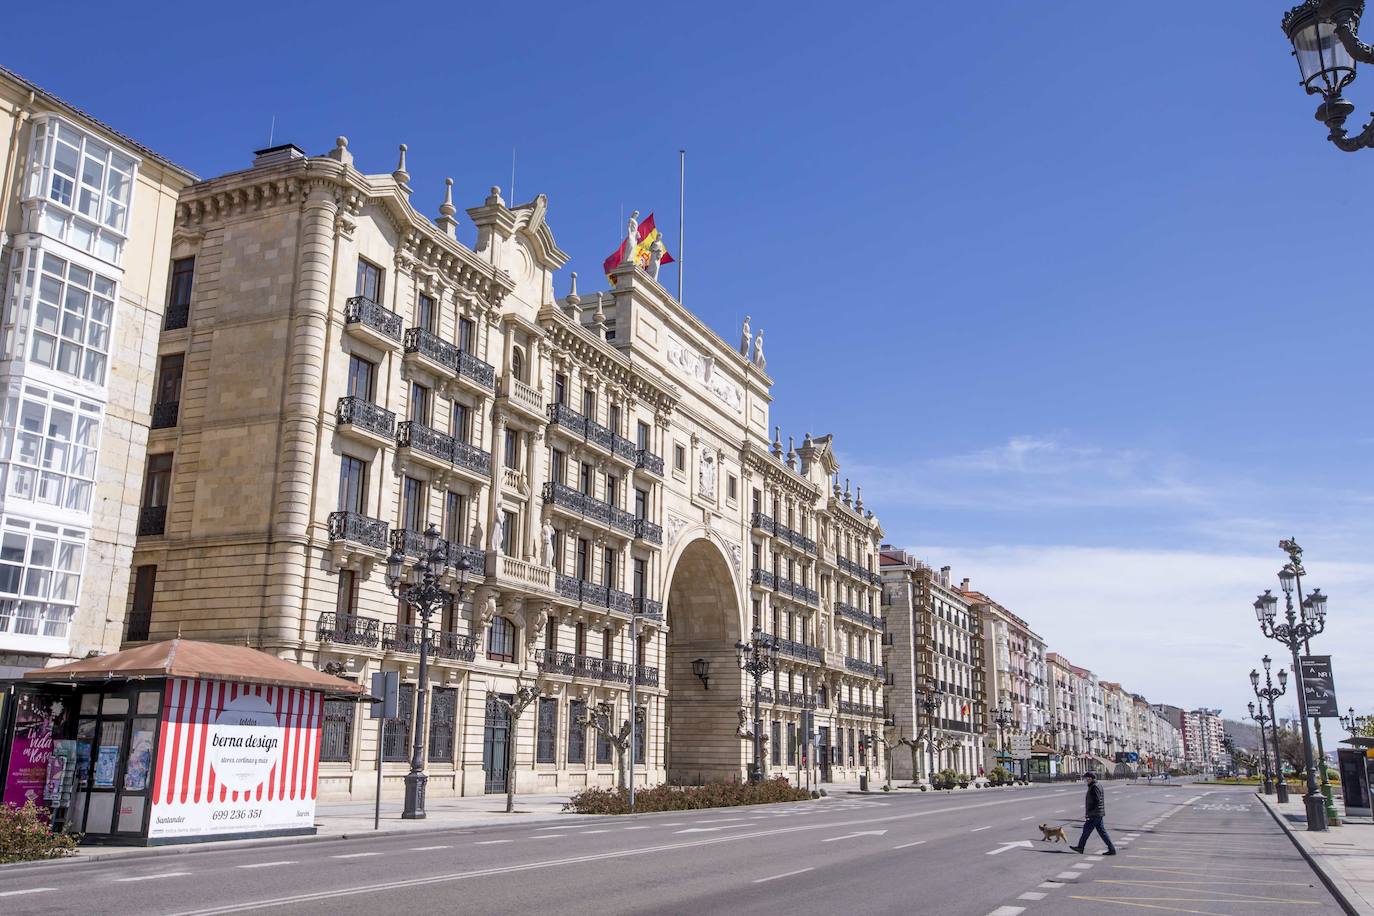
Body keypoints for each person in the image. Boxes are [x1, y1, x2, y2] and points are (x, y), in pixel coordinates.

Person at [1071, 772, 1117, 855]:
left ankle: (1080, 847)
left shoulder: (1094, 786)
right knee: (1102, 832)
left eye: (1086, 779)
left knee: (1086, 831)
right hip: (1097, 813)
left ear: (1090, 778)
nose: (1085, 781)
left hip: (1094, 814)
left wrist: (1090, 811)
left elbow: (1097, 800)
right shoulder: (1095, 785)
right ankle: (1112, 849)